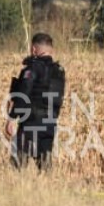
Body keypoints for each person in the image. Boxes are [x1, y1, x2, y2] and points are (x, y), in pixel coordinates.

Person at [5, 33, 66, 171]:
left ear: (33, 49)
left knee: (18, 166)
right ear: (51, 50)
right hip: (50, 124)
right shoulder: (59, 71)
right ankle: (46, 191)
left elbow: (23, 95)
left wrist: (11, 118)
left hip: (31, 123)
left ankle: (17, 191)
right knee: (45, 168)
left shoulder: (32, 68)